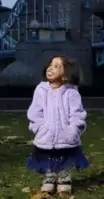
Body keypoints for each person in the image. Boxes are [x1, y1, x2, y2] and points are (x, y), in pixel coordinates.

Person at [26, 56, 90, 195]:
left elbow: (77, 113)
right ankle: (49, 178)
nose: (51, 67)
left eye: (56, 66)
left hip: (66, 135)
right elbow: (35, 111)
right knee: (48, 157)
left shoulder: (71, 92)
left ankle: (64, 179)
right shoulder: (41, 89)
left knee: (64, 159)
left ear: (66, 75)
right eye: (50, 64)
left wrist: (73, 130)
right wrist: (39, 127)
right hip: (45, 134)